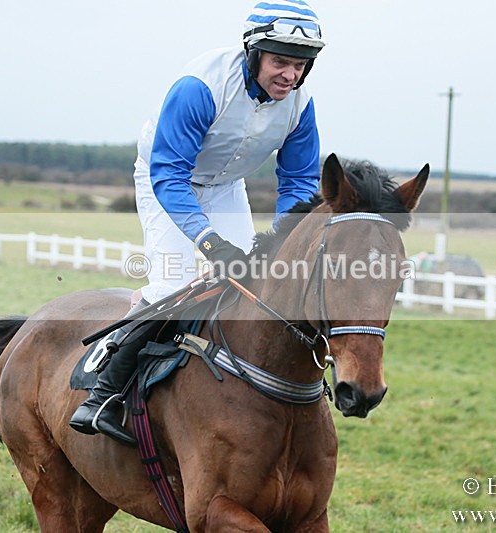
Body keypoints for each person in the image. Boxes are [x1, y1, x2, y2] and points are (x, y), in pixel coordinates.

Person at [70, 0, 327, 446]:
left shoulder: (300, 105)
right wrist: (208, 242)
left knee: (253, 283)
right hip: (167, 180)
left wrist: (285, 242)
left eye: (301, 65)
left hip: (226, 187)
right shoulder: (200, 86)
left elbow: (300, 181)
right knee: (174, 287)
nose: (290, 75)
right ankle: (104, 392)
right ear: (253, 53)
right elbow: (169, 173)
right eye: (280, 61)